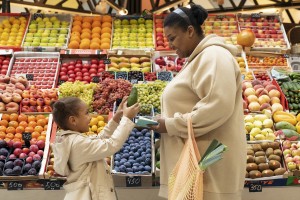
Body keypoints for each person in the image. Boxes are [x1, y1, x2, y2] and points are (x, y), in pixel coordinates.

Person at [152, 4, 247, 200]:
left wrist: (170, 125)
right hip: (197, 166)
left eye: (172, 38)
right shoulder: (199, 58)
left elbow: (217, 106)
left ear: (190, 31)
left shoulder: (214, 57)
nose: (170, 45)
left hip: (207, 166)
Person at [51, 96, 140, 200]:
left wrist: (116, 117)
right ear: (73, 120)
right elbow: (111, 145)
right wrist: (126, 119)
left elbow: (99, 139)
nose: (90, 117)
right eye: (86, 113)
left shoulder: (70, 139)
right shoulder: (78, 143)